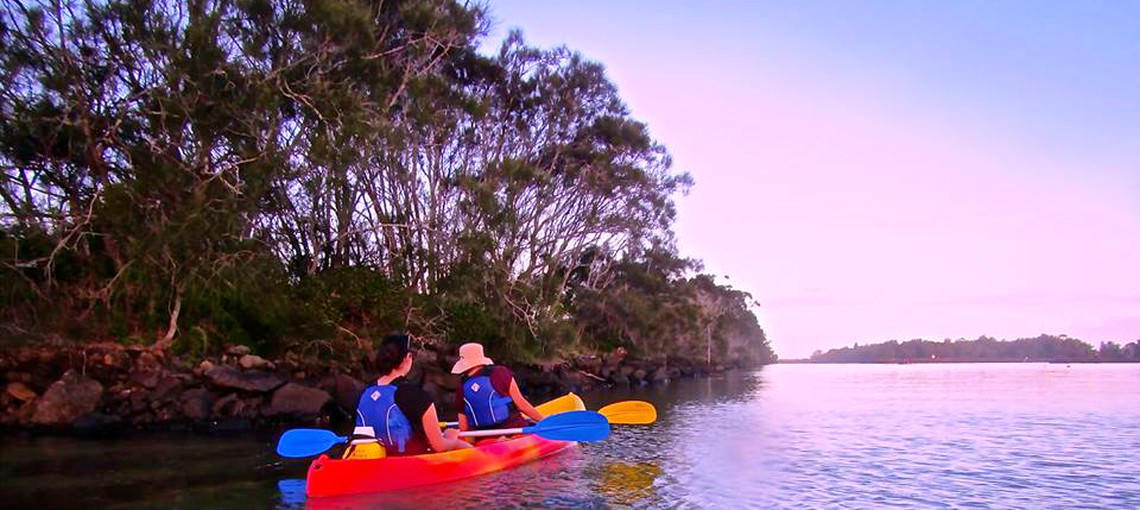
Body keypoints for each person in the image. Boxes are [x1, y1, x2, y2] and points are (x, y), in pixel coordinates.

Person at [349, 334, 470, 458]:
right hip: (410, 464)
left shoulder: (365, 392)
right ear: (407, 358)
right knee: (454, 436)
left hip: (372, 461)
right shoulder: (416, 395)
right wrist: (459, 442)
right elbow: (439, 446)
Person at [452, 342, 544, 433]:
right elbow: (522, 406)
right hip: (514, 430)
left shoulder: (461, 388)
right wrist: (544, 421)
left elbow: (463, 428)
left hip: (485, 438)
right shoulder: (500, 372)